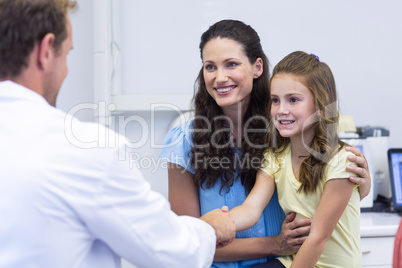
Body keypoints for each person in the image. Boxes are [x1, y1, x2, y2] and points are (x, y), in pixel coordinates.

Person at [0, 1, 236, 267]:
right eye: (66, 55)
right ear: (45, 51)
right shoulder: (88, 149)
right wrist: (211, 228)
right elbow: (172, 253)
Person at [160, 20, 371, 267]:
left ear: (257, 67)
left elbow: (325, 198)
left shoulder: (281, 133)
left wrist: (362, 183)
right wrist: (274, 243)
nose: (219, 77)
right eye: (210, 67)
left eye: (231, 64)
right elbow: (188, 242)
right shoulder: (184, 140)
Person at [229, 51, 361, 267]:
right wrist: (217, 224)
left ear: (319, 105)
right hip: (293, 260)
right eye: (275, 100)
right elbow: (250, 209)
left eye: (293, 100)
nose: (281, 110)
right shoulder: (275, 158)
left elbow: (317, 238)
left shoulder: (341, 161)